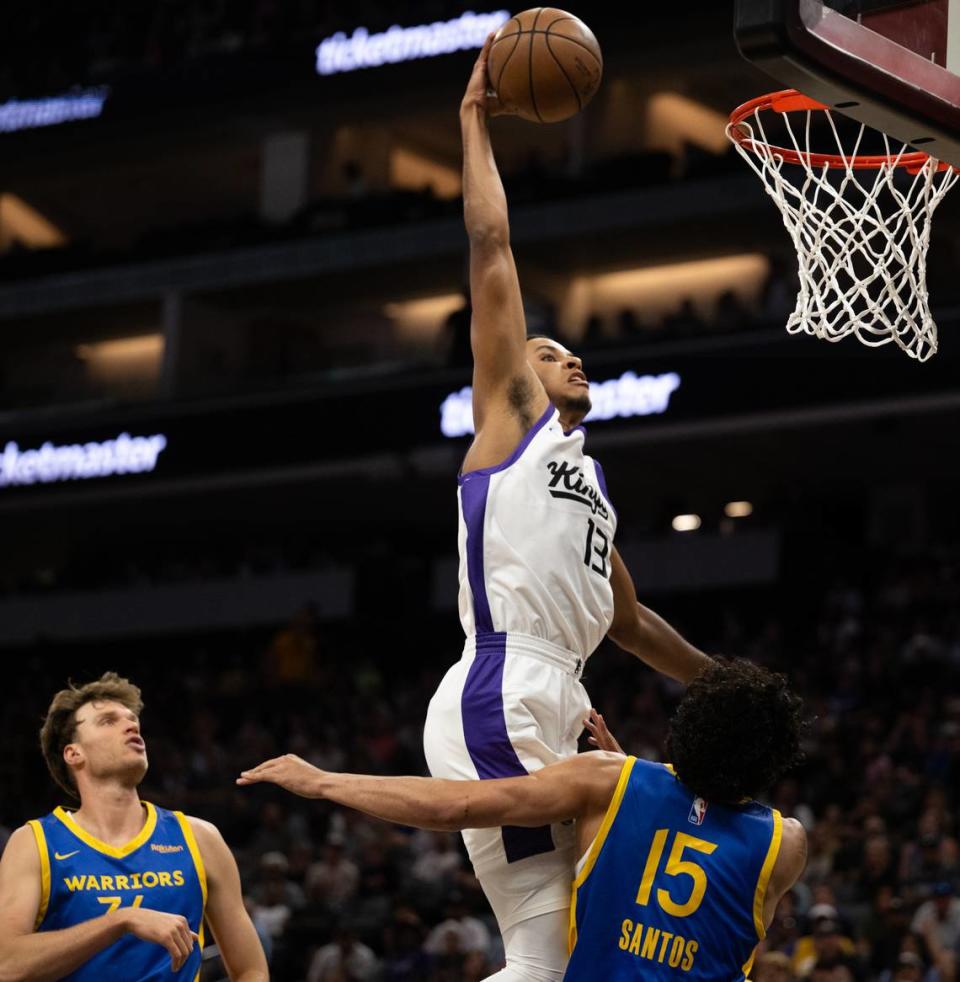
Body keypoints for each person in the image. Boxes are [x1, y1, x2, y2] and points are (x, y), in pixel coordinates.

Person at [418, 32, 712, 980]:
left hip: (563, 696)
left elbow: (627, 621)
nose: (565, 356)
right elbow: (491, 243)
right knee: (545, 949)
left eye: (567, 352)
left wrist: (725, 681)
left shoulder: (588, 486)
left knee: (589, 941)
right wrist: (472, 118)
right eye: (547, 350)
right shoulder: (512, 420)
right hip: (499, 688)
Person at [239, 657, 809, 981]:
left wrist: (323, 781)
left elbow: (455, 805)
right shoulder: (786, 843)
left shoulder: (610, 780)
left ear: (693, 725)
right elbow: (706, 819)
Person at [0, 672, 268, 981]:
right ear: (74, 753)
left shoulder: (198, 837)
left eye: (132, 719)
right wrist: (120, 921)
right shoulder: (35, 842)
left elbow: (252, 969)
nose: (131, 726)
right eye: (108, 721)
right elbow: (7, 964)